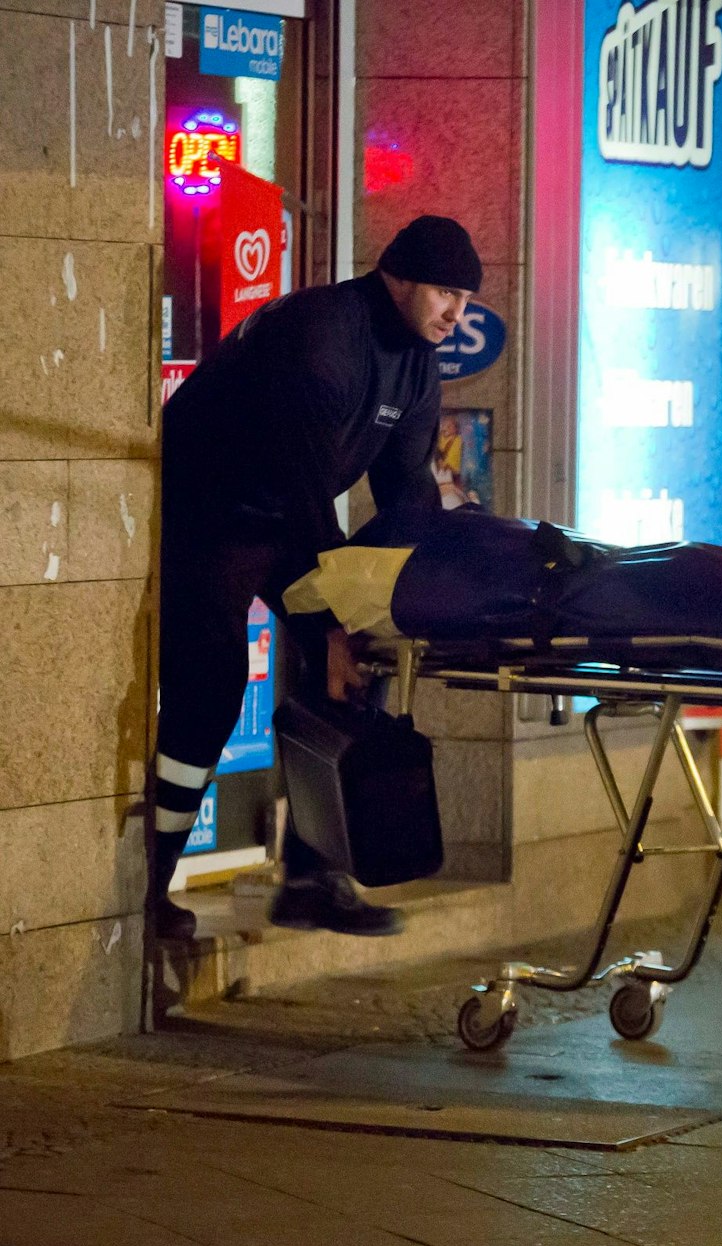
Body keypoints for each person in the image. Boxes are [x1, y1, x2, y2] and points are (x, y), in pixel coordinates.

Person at [146, 215, 481, 942]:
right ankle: (147, 882)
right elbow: (306, 495)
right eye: (445, 293)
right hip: (206, 507)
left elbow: (405, 496)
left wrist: (424, 589)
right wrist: (330, 624)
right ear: (398, 277)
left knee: (357, 672)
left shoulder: (419, 365)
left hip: (279, 516)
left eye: (465, 299)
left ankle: (309, 876)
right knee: (211, 686)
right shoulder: (324, 333)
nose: (457, 314)